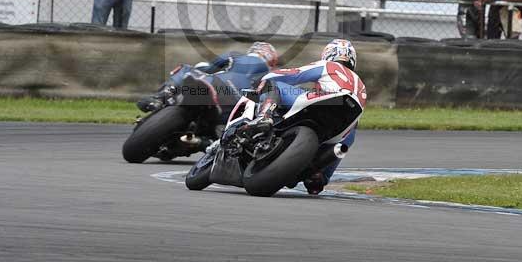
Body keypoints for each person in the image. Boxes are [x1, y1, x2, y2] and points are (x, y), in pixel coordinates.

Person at [254, 38, 365, 195]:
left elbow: (295, 74)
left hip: (325, 101)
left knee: (273, 85)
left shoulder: (327, 65)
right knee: (351, 132)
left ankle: (264, 117)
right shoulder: (360, 84)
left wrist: (266, 77)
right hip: (344, 121)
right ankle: (319, 174)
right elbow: (348, 137)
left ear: (328, 54)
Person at [139, 41, 279, 116]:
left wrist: (201, 71)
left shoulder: (236, 55)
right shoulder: (271, 78)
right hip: (237, 106)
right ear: (271, 62)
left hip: (216, 86)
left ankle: (160, 97)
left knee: (187, 69)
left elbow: (208, 69)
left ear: (253, 51)